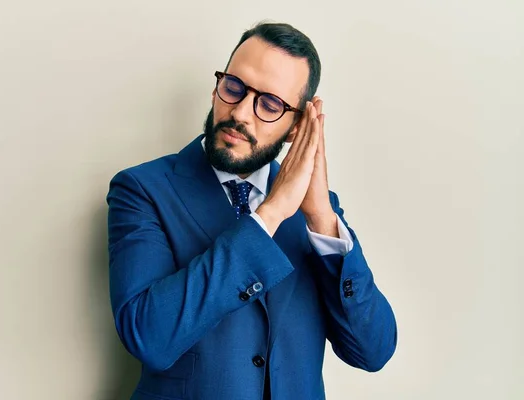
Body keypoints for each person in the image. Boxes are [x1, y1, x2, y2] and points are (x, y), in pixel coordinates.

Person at [106, 22, 397, 400]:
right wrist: (271, 214)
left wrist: (322, 218)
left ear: (297, 127)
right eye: (234, 87)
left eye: (270, 105)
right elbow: (148, 336)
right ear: (216, 87)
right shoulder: (142, 190)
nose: (241, 112)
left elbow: (372, 351)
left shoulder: (318, 217)